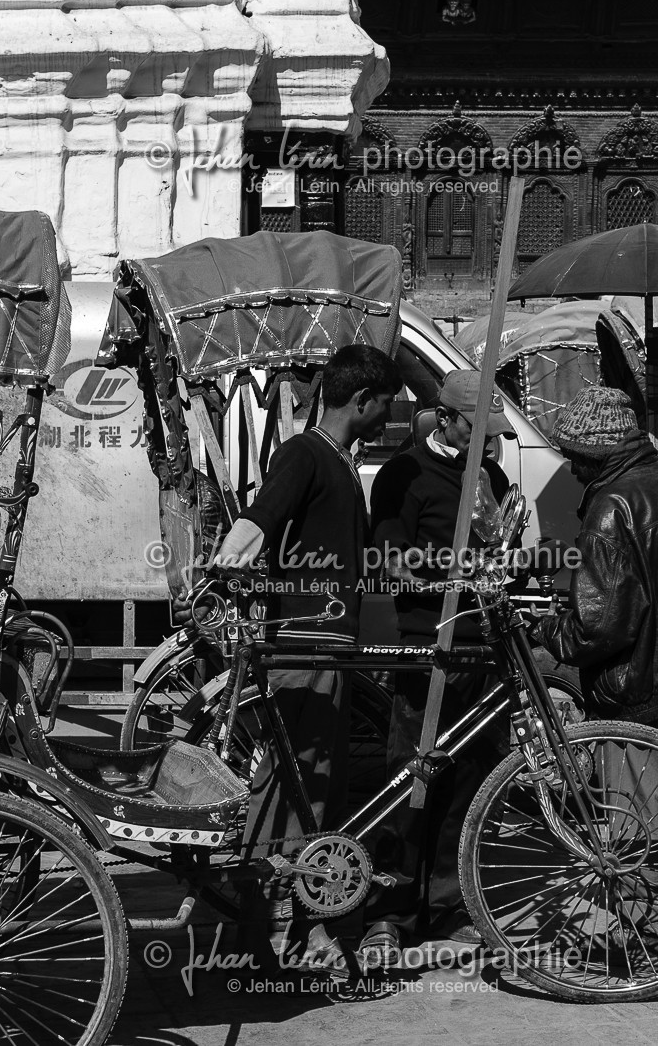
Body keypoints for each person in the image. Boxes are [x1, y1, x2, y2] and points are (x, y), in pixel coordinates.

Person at [200, 343, 400, 972]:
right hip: (304, 645)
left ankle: (293, 922)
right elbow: (262, 517)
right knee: (293, 784)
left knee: (317, 786)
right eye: (386, 404)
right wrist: (223, 569)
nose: (388, 417)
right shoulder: (305, 453)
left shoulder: (337, 459)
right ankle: (263, 923)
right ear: (361, 401)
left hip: (331, 648)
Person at [529, 386, 658, 955]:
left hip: (639, 683)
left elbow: (600, 626)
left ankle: (646, 928)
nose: (570, 468)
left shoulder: (611, 507)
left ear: (595, 454)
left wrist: (548, 632)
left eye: (574, 457)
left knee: (636, 813)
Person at [359, 371, 512, 965]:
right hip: (428, 647)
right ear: (444, 419)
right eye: (477, 428)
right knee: (410, 781)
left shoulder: (491, 477)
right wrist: (446, 567)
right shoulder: (405, 474)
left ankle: (450, 906)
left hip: (482, 646)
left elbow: (498, 550)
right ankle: (389, 912)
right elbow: (389, 556)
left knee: (468, 783)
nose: (487, 441)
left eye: (493, 431)